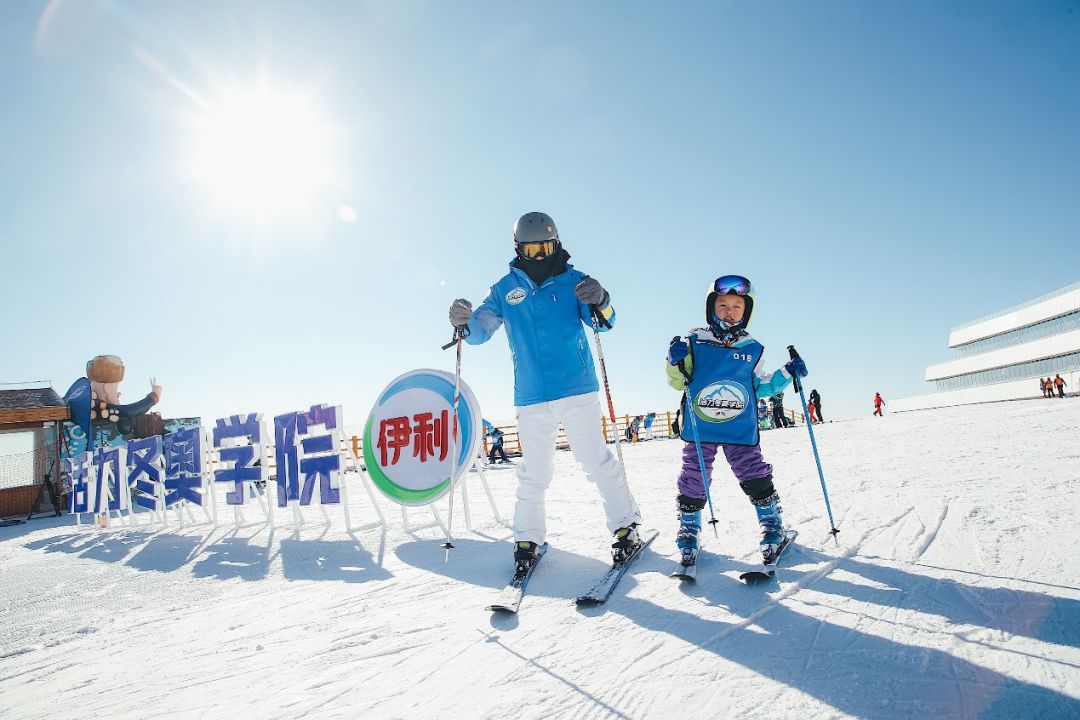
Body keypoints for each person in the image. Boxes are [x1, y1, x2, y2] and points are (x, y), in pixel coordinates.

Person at [448, 211, 642, 573]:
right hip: (532, 395)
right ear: (518, 248)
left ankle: (625, 526)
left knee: (596, 461)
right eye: (532, 249)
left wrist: (601, 299)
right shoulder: (505, 289)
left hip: (577, 389)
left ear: (556, 245)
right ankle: (528, 538)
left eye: (546, 248)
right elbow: (480, 331)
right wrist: (463, 322)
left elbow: (606, 321)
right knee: (533, 472)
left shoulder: (574, 281)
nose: (540, 256)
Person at [665, 274, 807, 567]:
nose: (729, 311)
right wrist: (673, 360)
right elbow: (679, 382)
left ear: (747, 311)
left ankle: (771, 527)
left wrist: (787, 373)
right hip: (701, 425)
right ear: (711, 308)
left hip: (739, 426)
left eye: (736, 306)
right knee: (695, 475)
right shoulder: (694, 341)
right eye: (722, 305)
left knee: (752, 472)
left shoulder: (751, 347)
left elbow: (761, 386)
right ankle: (689, 530)